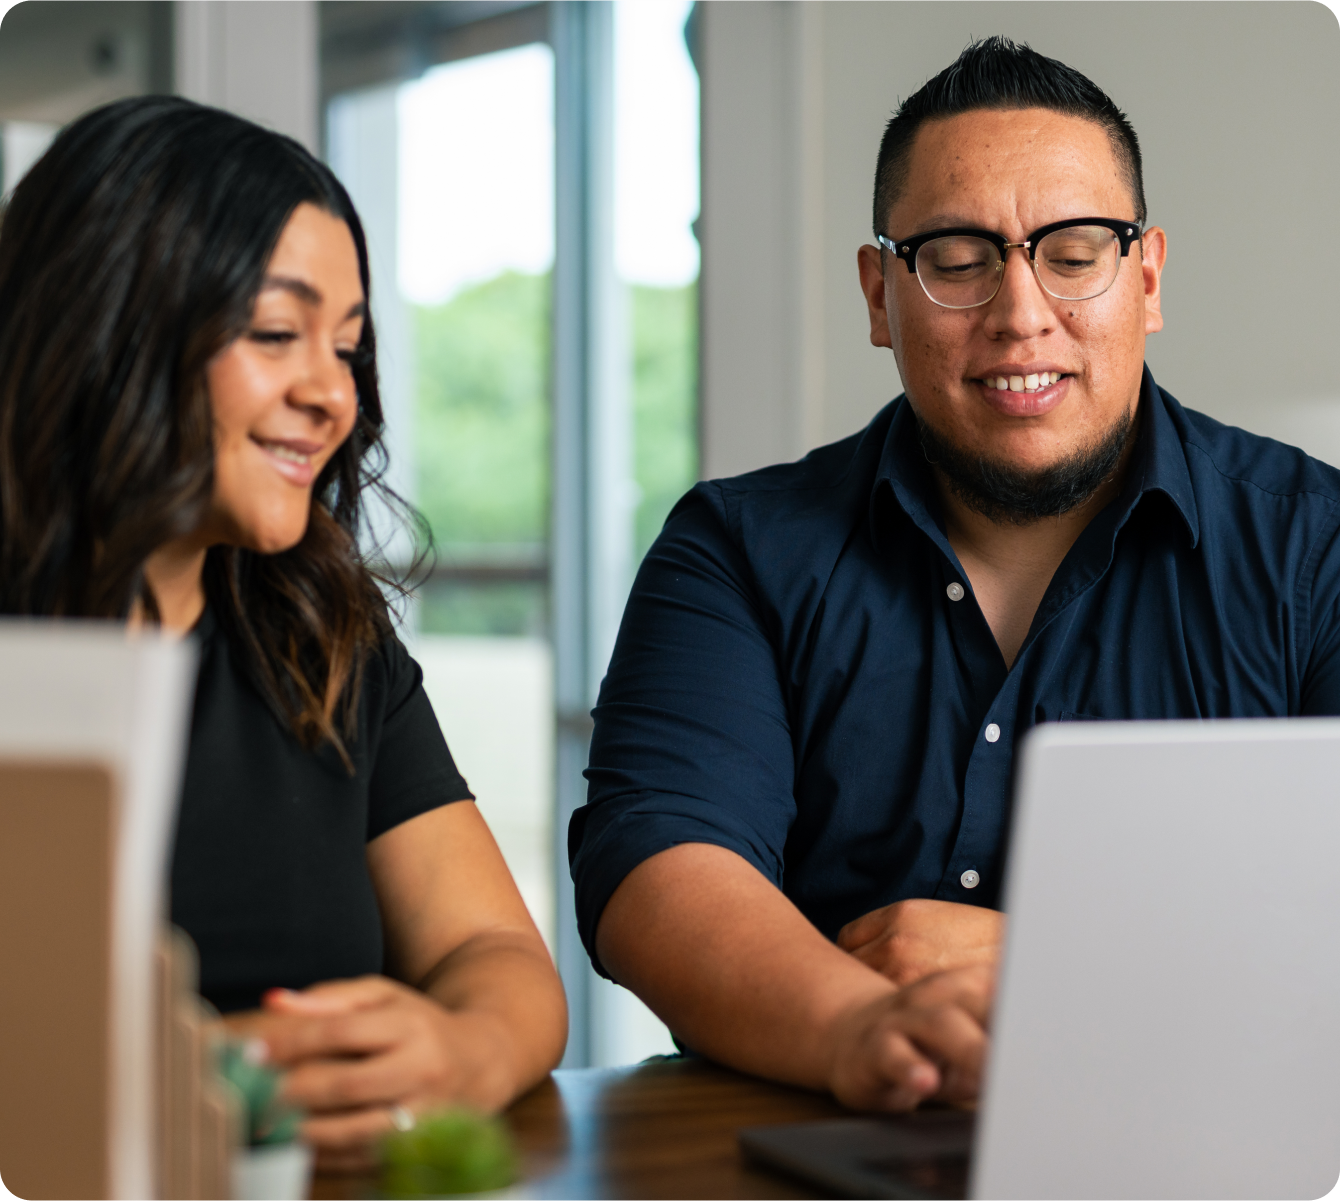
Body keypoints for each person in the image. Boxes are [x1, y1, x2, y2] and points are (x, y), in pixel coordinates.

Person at [570, 36, 1340, 1112]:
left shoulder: (1317, 546)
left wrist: (1049, 971)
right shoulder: (733, 549)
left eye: (1072, 253)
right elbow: (655, 869)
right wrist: (865, 1029)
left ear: (1146, 279)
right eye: (957, 257)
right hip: (816, 1142)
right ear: (880, 294)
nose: (1019, 313)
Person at [0, 96, 566, 1170]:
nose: (332, 394)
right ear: (107, 324)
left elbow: (491, 952)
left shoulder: (326, 641)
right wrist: (204, 1076)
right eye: (274, 333)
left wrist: (460, 1047)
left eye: (348, 348)